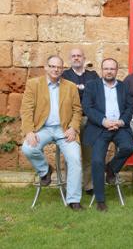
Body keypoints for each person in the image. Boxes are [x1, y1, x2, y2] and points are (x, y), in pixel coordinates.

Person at [20, 55, 83, 211]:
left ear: (62, 69)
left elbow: (77, 110)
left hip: (64, 129)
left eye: (59, 67)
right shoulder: (34, 84)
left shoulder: (70, 86)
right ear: (46, 67)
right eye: (52, 66)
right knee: (28, 148)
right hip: (44, 129)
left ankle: (74, 200)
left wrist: (73, 128)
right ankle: (45, 170)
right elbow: (26, 110)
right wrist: (29, 131)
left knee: (75, 158)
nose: (56, 69)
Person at [82, 58, 133, 212]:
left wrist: (121, 122)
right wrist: (103, 121)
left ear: (117, 70)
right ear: (102, 70)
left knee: (129, 147)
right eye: (106, 68)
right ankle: (100, 200)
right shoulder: (92, 86)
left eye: (112, 68)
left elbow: (129, 108)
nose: (109, 71)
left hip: (119, 127)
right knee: (97, 161)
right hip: (100, 128)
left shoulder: (123, 87)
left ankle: (111, 168)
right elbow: (87, 107)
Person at [62, 48, 99, 195]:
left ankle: (89, 185)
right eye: (73, 56)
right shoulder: (65, 75)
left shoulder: (93, 75)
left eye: (79, 56)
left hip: (89, 120)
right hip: (71, 121)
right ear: (69, 59)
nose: (76, 58)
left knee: (89, 154)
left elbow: (97, 95)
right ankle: (69, 185)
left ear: (84, 58)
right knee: (71, 155)